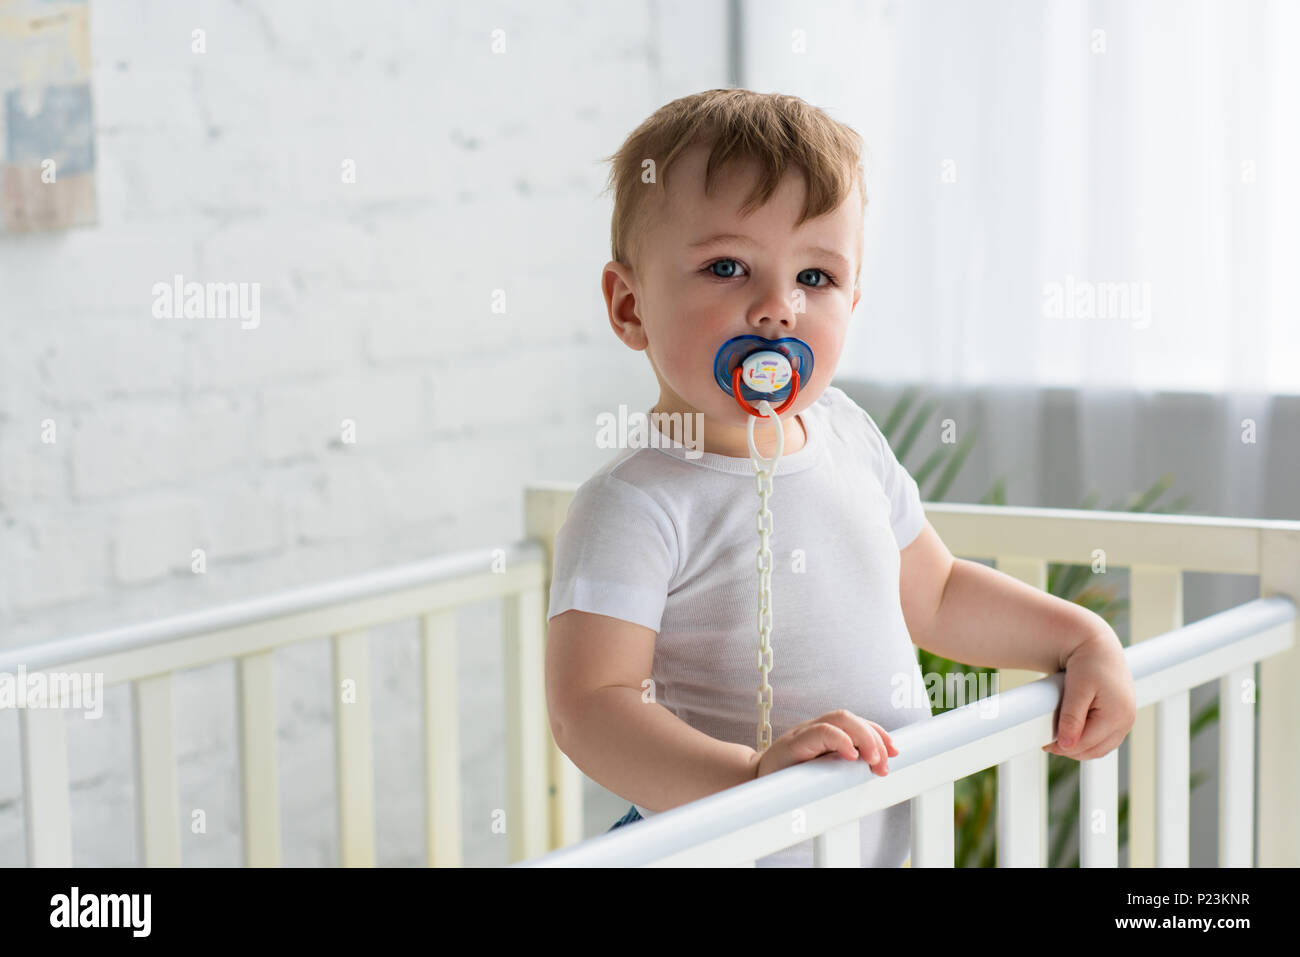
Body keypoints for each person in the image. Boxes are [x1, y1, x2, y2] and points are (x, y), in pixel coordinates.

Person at [546, 89, 1136, 866]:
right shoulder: (634, 502)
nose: (776, 307)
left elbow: (937, 592)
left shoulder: (848, 435)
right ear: (630, 306)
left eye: (816, 277)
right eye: (727, 266)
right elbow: (592, 707)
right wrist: (752, 776)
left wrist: (1080, 637)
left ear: (852, 298)